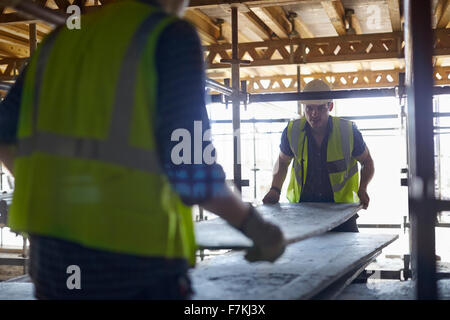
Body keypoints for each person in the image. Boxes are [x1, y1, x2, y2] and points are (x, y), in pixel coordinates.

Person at [0, 0, 285, 299]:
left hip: (53, 267)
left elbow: (4, 135)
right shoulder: (167, 36)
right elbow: (192, 172)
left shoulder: (59, 41)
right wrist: (257, 229)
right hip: (135, 269)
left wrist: (56, 191)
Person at [262, 79, 375, 232]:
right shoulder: (292, 131)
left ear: (330, 106)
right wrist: (275, 189)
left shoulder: (348, 131)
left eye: (320, 108)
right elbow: (283, 161)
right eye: (309, 108)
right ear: (303, 107)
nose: (314, 114)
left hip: (341, 213)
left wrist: (363, 188)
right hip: (302, 212)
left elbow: (367, 162)